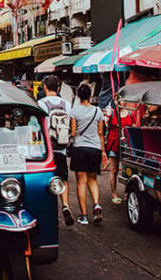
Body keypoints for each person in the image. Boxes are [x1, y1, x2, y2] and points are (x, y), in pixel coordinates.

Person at [36, 75, 75, 226]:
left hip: (46, 150)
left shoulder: (41, 103)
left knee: (47, 181)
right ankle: (65, 205)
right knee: (63, 179)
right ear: (58, 88)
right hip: (61, 148)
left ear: (45, 87)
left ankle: (49, 211)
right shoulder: (66, 104)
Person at [69, 84, 106, 226]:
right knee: (93, 180)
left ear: (78, 96)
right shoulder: (98, 111)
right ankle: (96, 204)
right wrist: (103, 152)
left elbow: (73, 133)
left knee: (81, 182)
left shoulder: (75, 112)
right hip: (95, 148)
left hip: (80, 149)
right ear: (90, 96)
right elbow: (101, 133)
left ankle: (84, 216)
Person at [106, 101, 135, 204]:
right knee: (114, 170)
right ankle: (114, 194)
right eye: (119, 100)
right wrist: (107, 116)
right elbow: (104, 123)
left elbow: (134, 128)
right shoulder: (113, 113)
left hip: (126, 146)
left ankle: (127, 193)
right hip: (114, 144)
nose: (122, 102)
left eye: (123, 100)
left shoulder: (131, 114)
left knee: (128, 170)